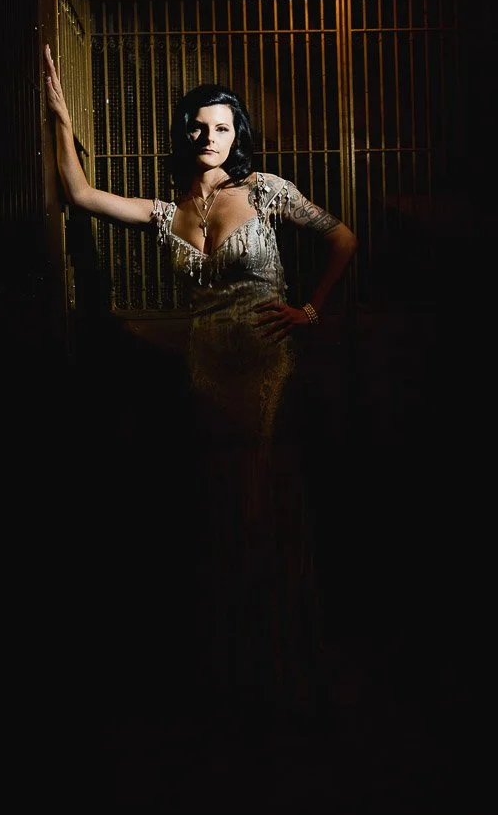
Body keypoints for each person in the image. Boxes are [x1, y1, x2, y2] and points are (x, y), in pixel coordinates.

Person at [43, 42, 358, 721]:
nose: (209, 136)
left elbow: (344, 239)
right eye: (198, 126)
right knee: (220, 504)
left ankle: (283, 663)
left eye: (222, 126)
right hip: (206, 368)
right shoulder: (167, 212)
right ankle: (231, 668)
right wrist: (57, 115)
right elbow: (79, 194)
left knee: (263, 499)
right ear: (184, 135)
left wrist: (309, 308)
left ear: (237, 134)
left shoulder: (266, 192)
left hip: (266, 362)